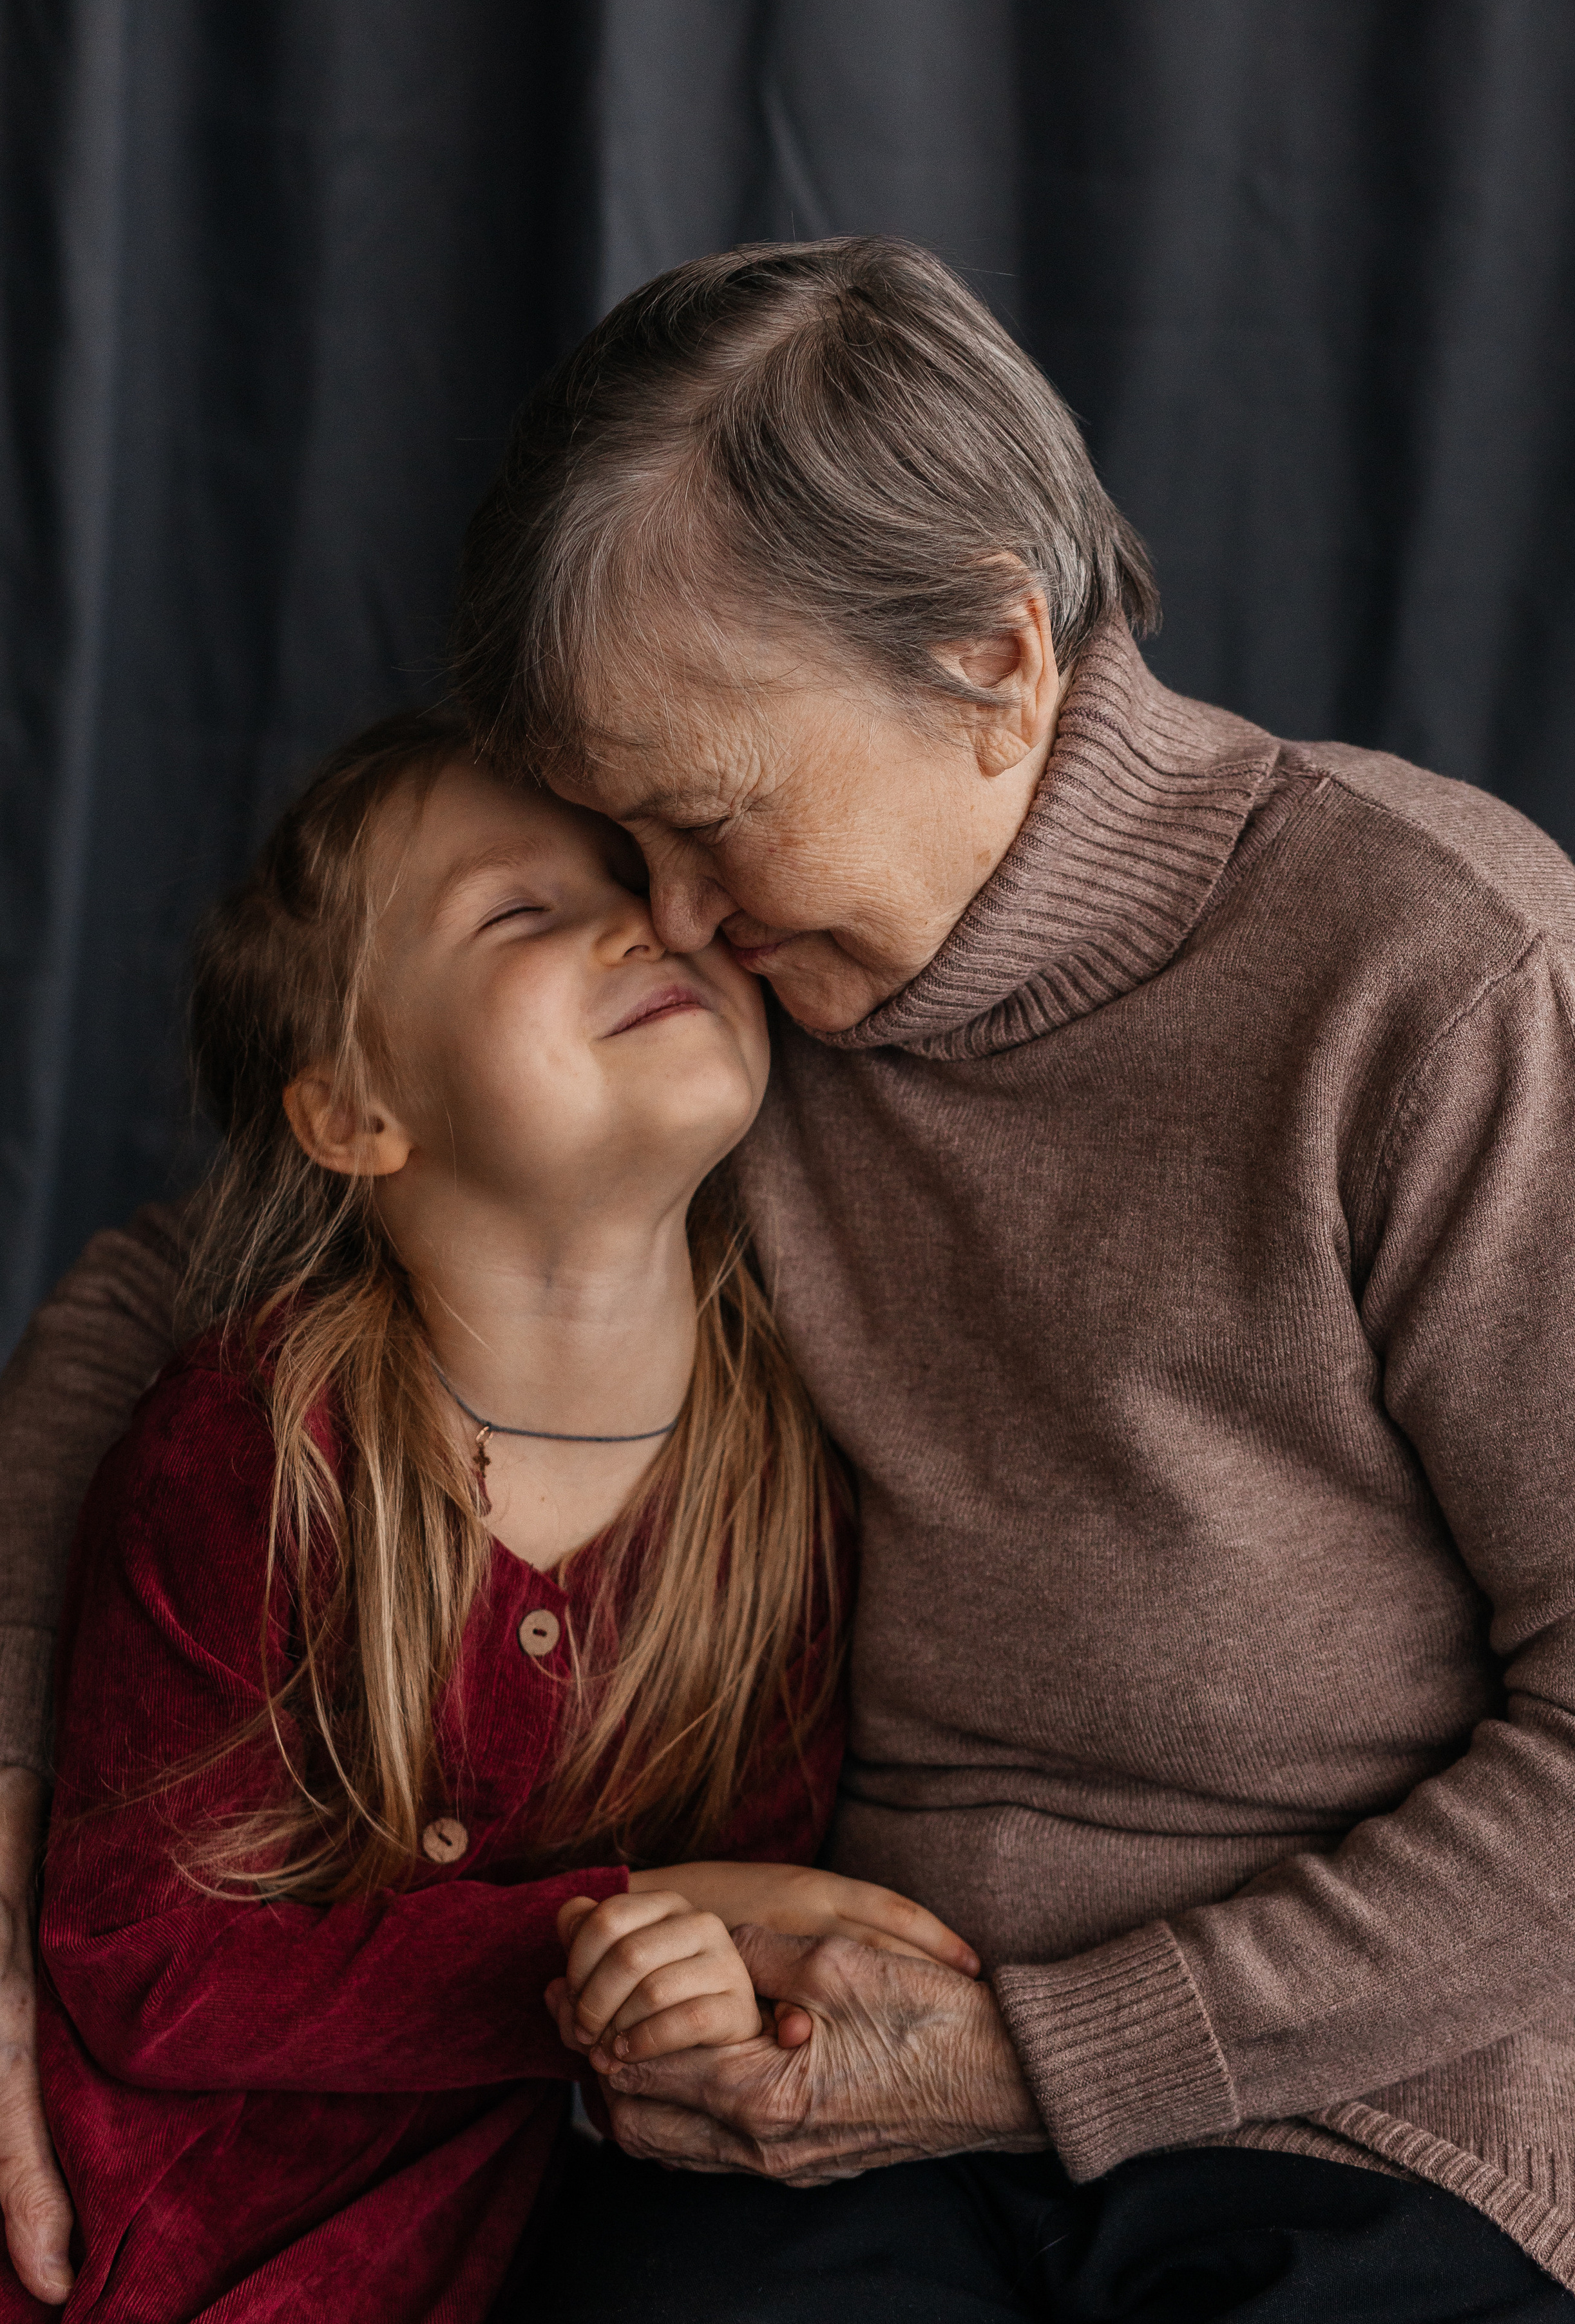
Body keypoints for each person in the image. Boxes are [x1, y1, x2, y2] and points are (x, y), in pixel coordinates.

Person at [1, 235, 1575, 2318]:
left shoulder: (1442, 982)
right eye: (614, 849)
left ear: (996, 667)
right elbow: (185, 1289)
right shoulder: (751, 1025)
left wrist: (1039, 2063)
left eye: (704, 821)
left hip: (1396, 2108)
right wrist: (8, 1834)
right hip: (839, 2103)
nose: (672, 921)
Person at [0, 704, 970, 2319]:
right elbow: (132, 1964)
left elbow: (738, 1927)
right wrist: (599, 1940)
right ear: (357, 1116)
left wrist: (690, 1986)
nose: (637, 924)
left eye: (637, 881)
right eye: (520, 912)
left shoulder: (778, 1496)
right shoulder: (257, 1445)